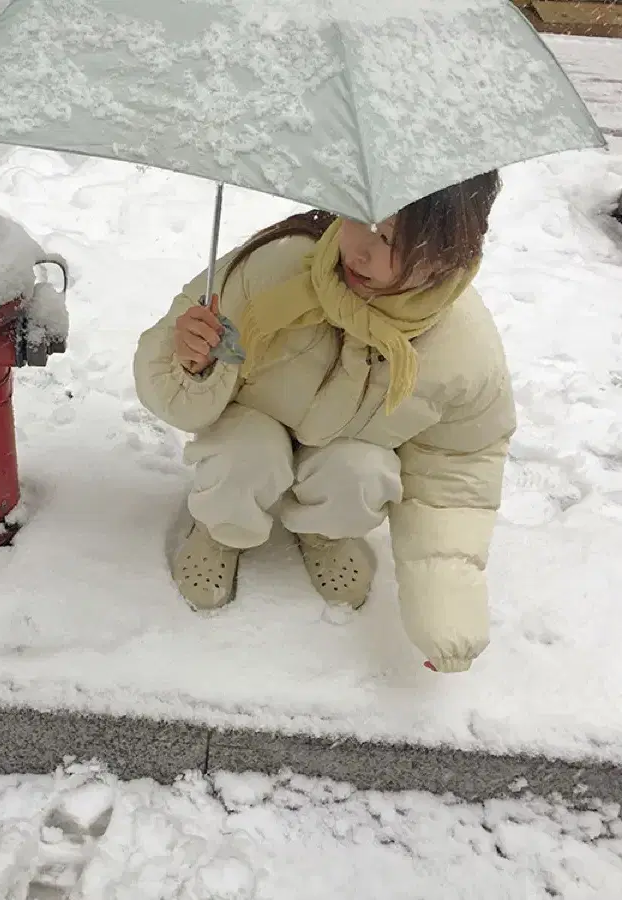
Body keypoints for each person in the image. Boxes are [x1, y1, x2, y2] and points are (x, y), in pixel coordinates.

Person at [133, 172, 516, 673]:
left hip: (344, 448)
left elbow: (458, 472)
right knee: (245, 451)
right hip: (252, 427)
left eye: (390, 241)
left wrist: (445, 613)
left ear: (449, 254)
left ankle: (325, 534)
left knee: (362, 471)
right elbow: (166, 382)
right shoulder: (276, 267)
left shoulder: (461, 350)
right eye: (360, 217)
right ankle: (221, 528)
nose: (359, 250)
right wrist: (190, 361)